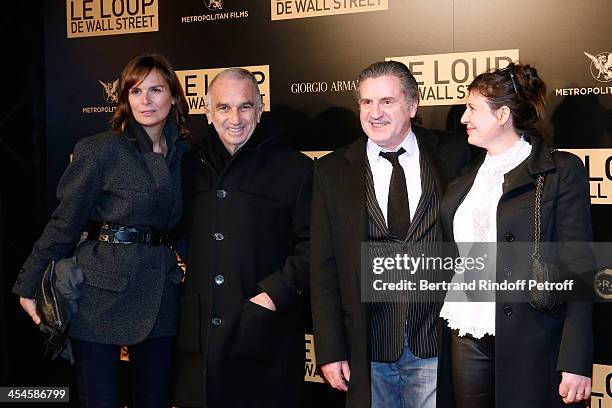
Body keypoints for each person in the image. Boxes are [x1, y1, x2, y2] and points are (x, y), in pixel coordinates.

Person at [13, 54, 190, 407]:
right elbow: (65, 222)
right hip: (100, 296)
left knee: (155, 399)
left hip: (159, 292)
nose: (146, 100)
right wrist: (28, 283)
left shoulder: (185, 153)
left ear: (173, 95)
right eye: (136, 91)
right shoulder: (99, 150)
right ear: (124, 98)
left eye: (156, 89)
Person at [310, 60, 470, 408]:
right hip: (368, 347)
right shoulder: (332, 171)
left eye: (387, 101)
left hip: (437, 342)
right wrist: (331, 349)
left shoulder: (457, 153)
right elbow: (323, 268)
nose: (374, 113)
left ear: (413, 106)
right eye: (367, 102)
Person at [437, 63, 593, 407]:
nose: (464, 118)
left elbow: (582, 268)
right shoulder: (465, 178)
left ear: (503, 114)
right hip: (467, 330)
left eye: (473, 108)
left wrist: (575, 360)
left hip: (534, 336)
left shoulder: (559, 171)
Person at [172, 68, 312, 408]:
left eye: (245, 107)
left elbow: (314, 246)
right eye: (223, 107)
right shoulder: (187, 165)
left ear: (260, 109)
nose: (234, 118)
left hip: (267, 335)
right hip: (200, 338)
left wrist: (273, 296)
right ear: (207, 112)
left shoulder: (296, 168)